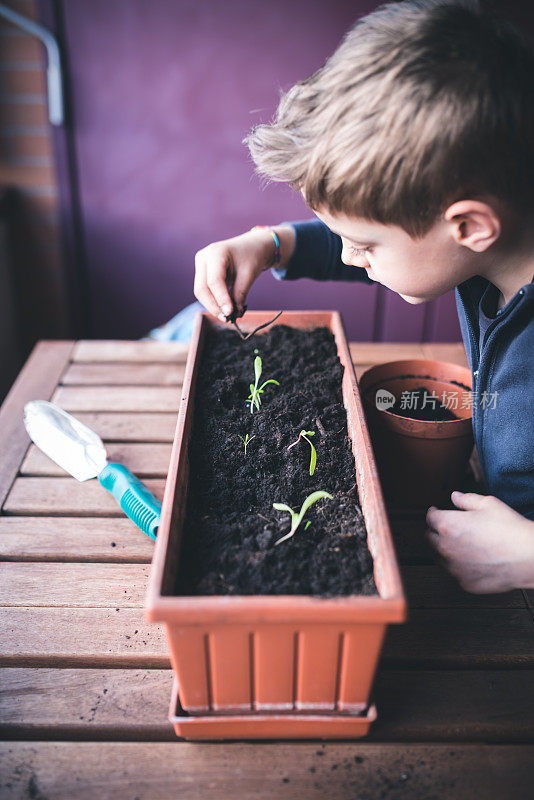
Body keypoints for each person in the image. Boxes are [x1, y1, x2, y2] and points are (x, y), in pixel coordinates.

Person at [193, 0, 534, 593]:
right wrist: (270, 245)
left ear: (471, 226)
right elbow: (389, 241)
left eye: (364, 245)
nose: (351, 256)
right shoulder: (482, 253)